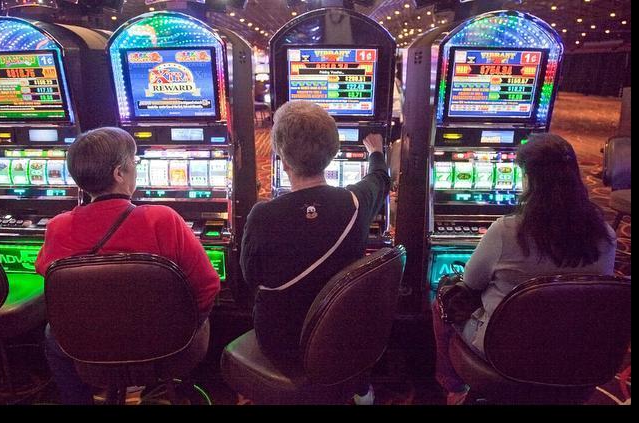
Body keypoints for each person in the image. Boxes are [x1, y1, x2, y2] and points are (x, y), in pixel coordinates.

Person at [34, 127, 221, 404]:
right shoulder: (162, 219)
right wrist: (182, 326)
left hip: (91, 347)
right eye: (134, 161)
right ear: (119, 174)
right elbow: (208, 286)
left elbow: (48, 275)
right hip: (166, 346)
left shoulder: (58, 227)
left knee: (53, 333)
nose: (137, 167)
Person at [433, 133, 617, 404]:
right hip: (575, 349)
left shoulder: (506, 231)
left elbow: (470, 283)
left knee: (443, 298)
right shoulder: (606, 235)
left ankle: (455, 389)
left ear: (530, 180)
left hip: (505, 347)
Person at [240, 100, 390, 377]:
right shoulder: (355, 202)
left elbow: (251, 279)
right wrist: (376, 152)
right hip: (340, 339)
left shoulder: (262, 216)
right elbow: (380, 178)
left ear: (282, 160)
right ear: (333, 153)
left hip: (282, 344)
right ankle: (359, 387)